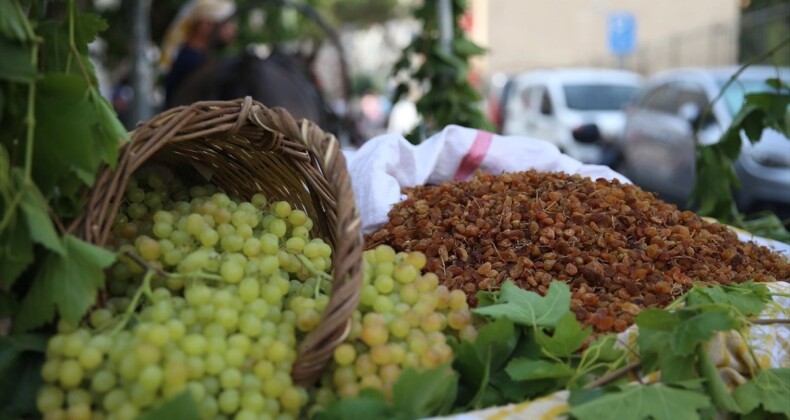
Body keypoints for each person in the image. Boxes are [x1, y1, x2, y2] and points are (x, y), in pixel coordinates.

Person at [160, 0, 237, 108]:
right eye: (226, 24)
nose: (232, 29)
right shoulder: (189, 61)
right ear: (204, 25)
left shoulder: (200, 58)